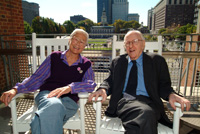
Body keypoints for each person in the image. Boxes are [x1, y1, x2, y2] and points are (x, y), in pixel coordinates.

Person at [88, 30, 190, 134]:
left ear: (143, 44)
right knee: (146, 114)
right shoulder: (118, 62)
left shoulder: (157, 61)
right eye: (127, 43)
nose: (130, 45)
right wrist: (103, 89)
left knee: (145, 116)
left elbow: (164, 85)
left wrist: (171, 95)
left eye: (135, 41)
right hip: (126, 101)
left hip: (151, 102)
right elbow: (109, 81)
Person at [0, 29, 96, 134]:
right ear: (69, 40)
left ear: (85, 46)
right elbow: (37, 77)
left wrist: (70, 88)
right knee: (55, 105)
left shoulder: (86, 64)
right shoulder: (54, 57)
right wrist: (16, 89)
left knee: (38, 122)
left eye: (82, 42)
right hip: (48, 95)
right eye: (76, 39)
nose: (78, 44)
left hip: (69, 101)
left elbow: (90, 84)